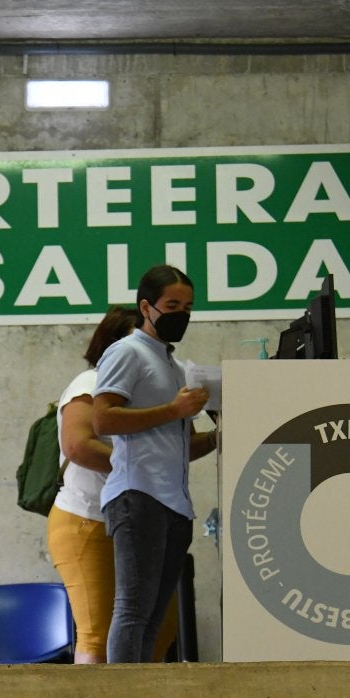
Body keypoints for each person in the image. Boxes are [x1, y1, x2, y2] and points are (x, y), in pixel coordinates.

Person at [92, 265, 216, 663]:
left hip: (174, 503)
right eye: (172, 305)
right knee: (132, 612)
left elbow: (176, 443)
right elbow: (103, 419)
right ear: (146, 307)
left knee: (152, 619)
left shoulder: (174, 366)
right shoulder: (127, 352)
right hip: (138, 494)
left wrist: (221, 434)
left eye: (189, 306)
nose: (182, 313)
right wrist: (173, 409)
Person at [48, 307, 179, 663]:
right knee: (100, 633)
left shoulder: (158, 392)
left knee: (160, 629)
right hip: (87, 522)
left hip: (140, 524)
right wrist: (143, 462)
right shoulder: (89, 385)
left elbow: (178, 449)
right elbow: (77, 446)